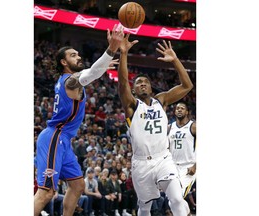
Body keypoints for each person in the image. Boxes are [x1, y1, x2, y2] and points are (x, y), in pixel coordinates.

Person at [34, 24, 124, 216]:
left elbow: (91, 73)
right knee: (46, 192)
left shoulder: (69, 80)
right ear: (64, 62)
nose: (79, 56)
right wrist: (111, 49)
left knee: (77, 185)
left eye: (78, 54)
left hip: (64, 139)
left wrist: (98, 68)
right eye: (73, 55)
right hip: (54, 138)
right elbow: (91, 74)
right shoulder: (69, 80)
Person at [117, 35, 193, 216]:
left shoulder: (162, 100)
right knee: (144, 207)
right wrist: (124, 53)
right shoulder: (132, 106)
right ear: (134, 90)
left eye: (146, 82)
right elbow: (121, 83)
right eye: (138, 83)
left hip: (164, 159)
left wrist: (175, 60)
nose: (143, 84)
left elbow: (187, 85)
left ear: (151, 88)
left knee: (176, 199)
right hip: (141, 163)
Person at [168, 101, 196, 215]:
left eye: (182, 108)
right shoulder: (170, 127)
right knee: (173, 200)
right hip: (173, 167)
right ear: (174, 112)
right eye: (177, 108)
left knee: (176, 199)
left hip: (188, 167)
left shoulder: (193, 126)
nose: (179, 110)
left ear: (187, 112)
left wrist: (196, 165)